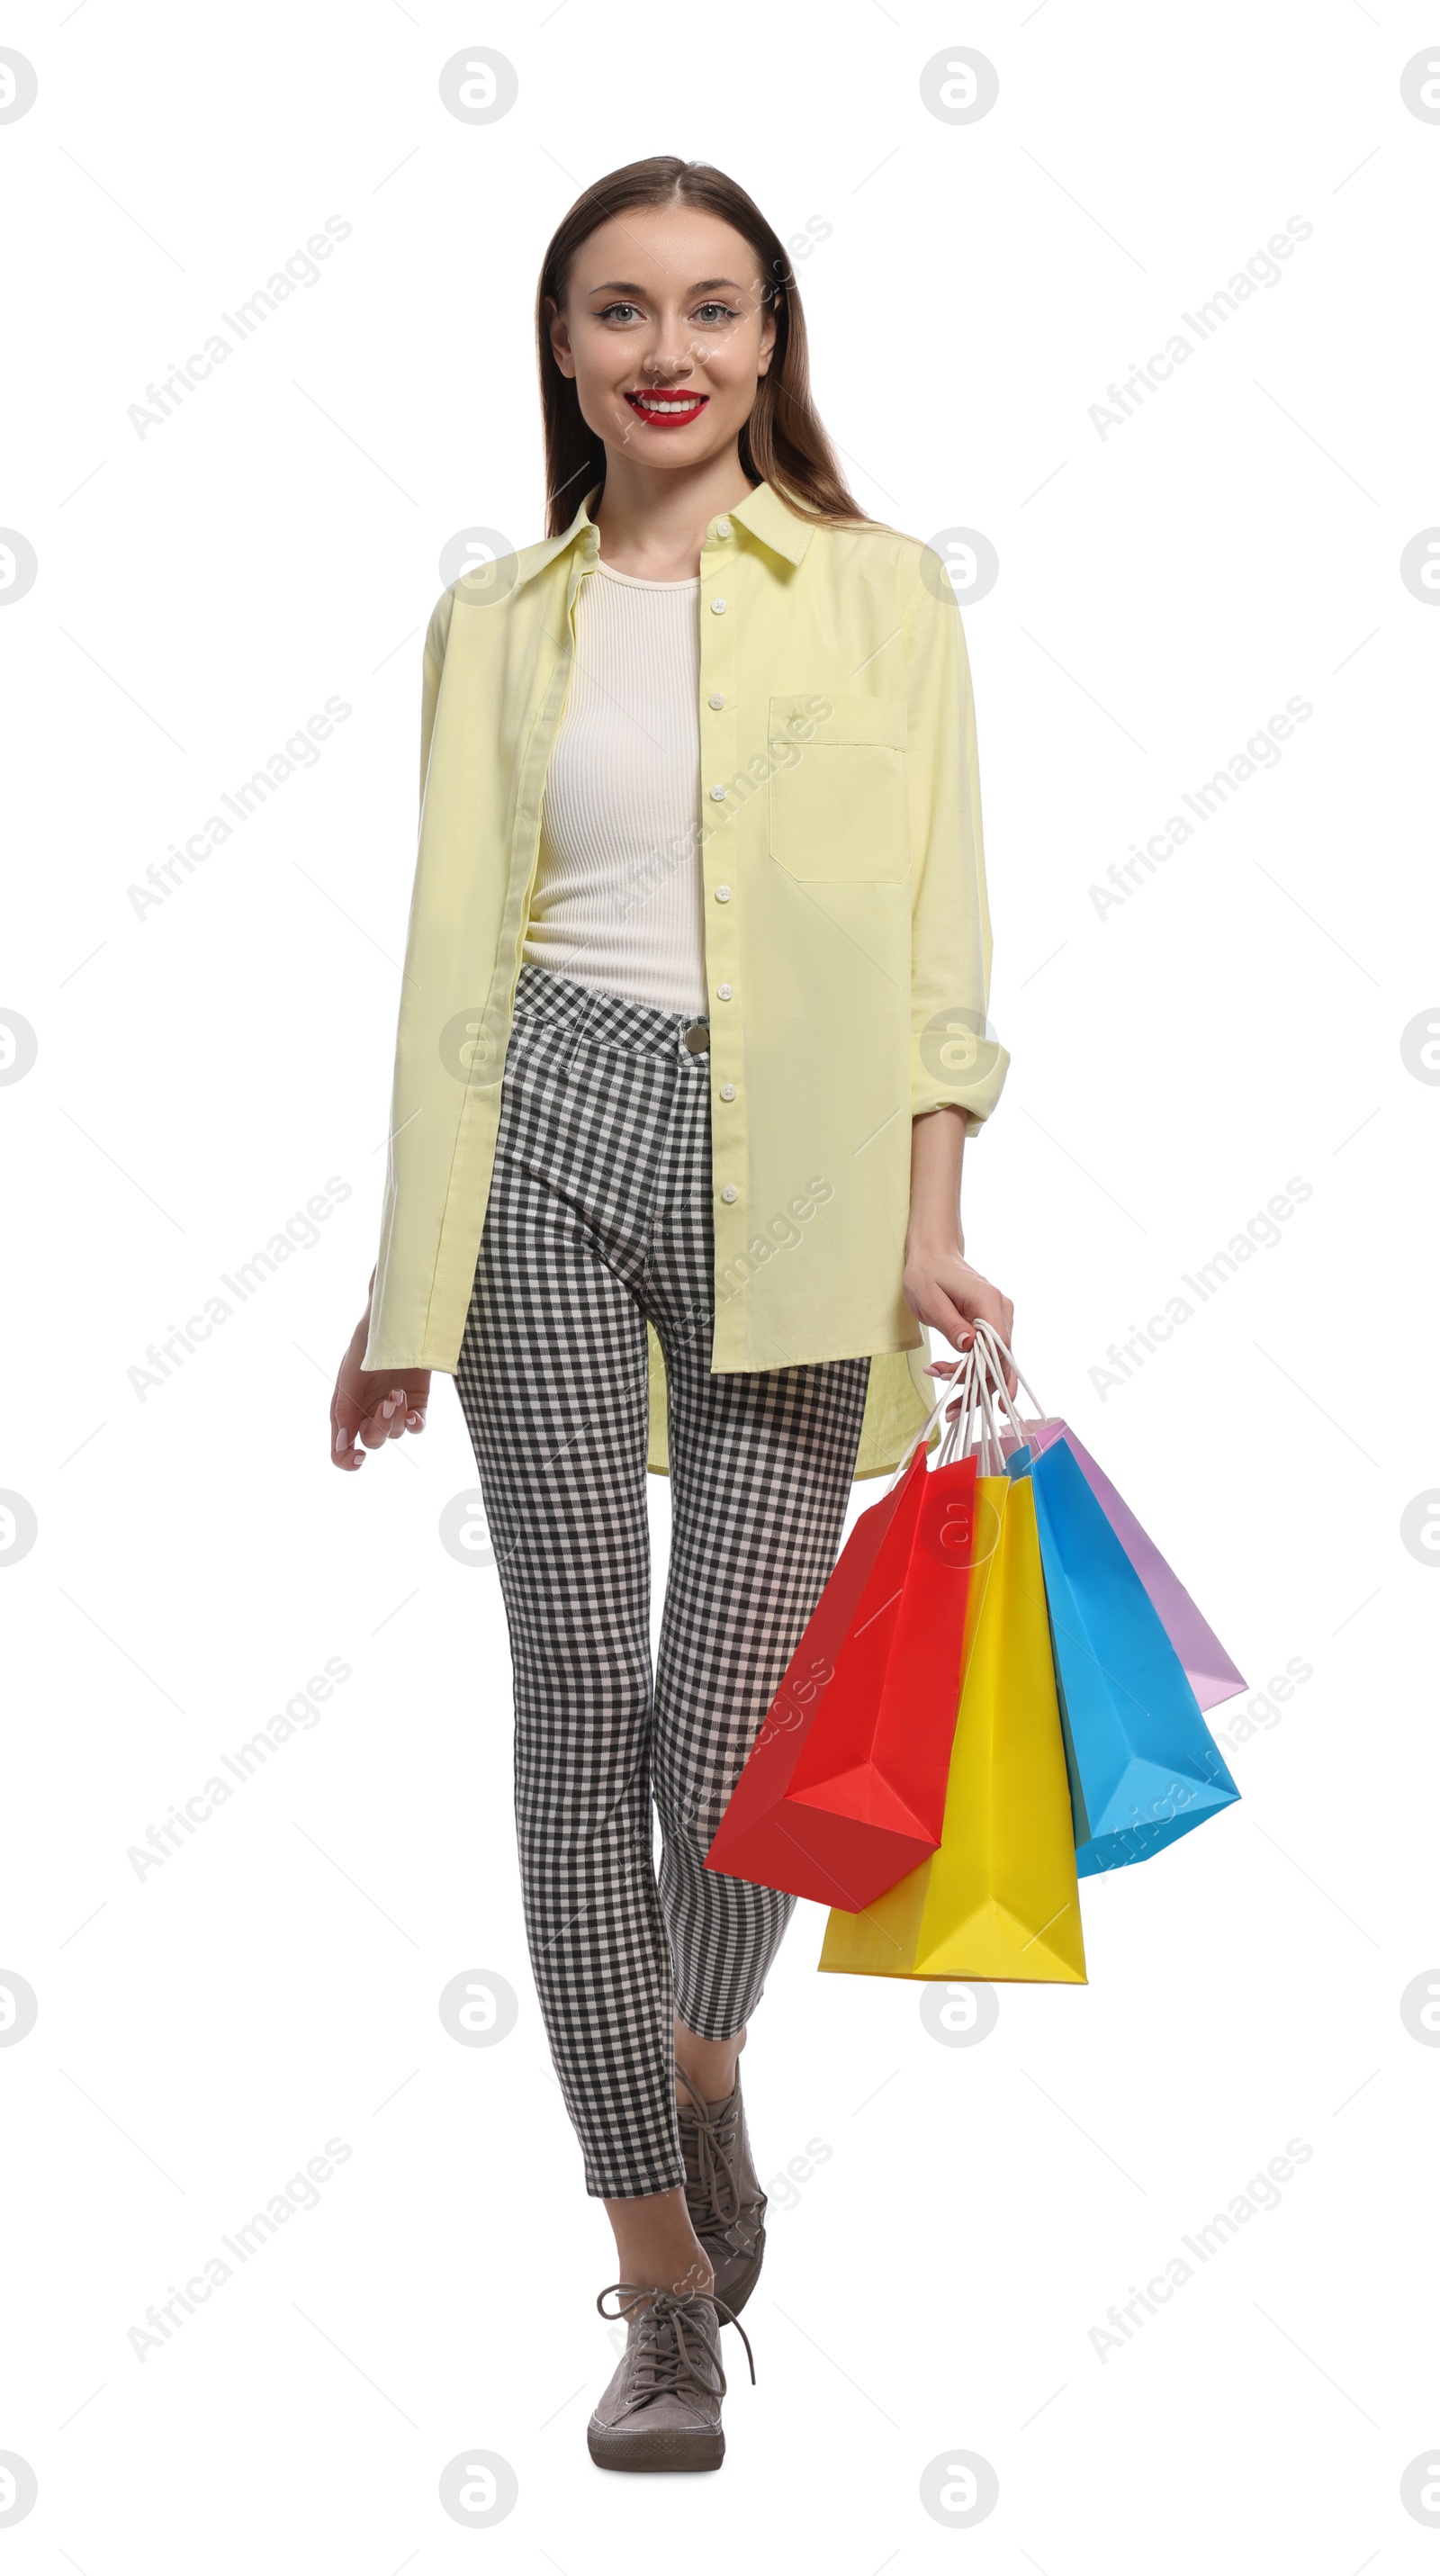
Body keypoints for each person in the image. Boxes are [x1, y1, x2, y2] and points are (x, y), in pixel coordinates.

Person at [329, 155, 1015, 2473]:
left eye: (715, 307)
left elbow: (943, 943)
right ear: (563, 347)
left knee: (729, 1738)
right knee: (570, 1693)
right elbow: (448, 966)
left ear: (772, 338)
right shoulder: (493, 624)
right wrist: (405, 1281)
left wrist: (933, 1211)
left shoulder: (885, 595)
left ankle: (700, 2068)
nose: (670, 348)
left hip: (805, 1174)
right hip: (540, 1130)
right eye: (621, 309)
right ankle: (654, 2281)